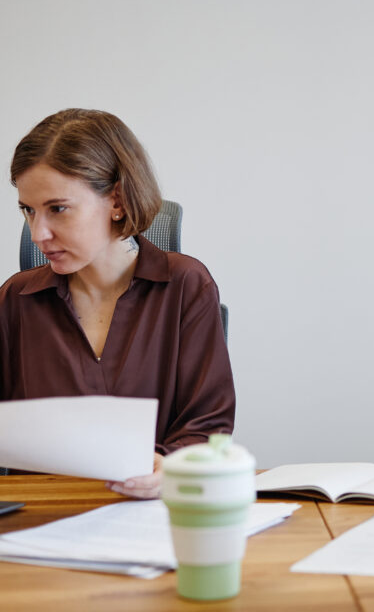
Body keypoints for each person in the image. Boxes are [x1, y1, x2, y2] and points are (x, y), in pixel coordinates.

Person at [0, 109, 235, 499]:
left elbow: (207, 427)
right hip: (38, 519)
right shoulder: (15, 299)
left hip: (150, 513)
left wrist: (171, 465)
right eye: (28, 210)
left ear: (118, 201)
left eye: (57, 208)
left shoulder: (186, 286)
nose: (38, 233)